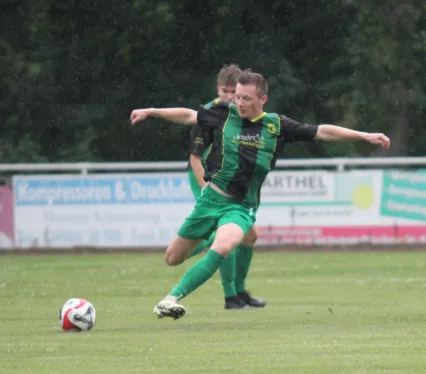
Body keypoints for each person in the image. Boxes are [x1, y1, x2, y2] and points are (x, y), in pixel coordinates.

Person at [130, 69, 390, 320]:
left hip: (240, 207)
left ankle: (171, 299)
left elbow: (322, 131)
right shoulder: (224, 114)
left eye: (246, 98)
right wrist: (151, 112)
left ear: (262, 99)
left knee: (223, 246)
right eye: (237, 96)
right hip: (210, 200)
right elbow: (188, 116)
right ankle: (207, 249)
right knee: (173, 258)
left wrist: (364, 135)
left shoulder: (276, 125)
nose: (239, 102)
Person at [186, 64, 265, 310]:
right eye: (225, 91)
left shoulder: (243, 112)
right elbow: (195, 158)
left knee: (250, 236)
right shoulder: (210, 114)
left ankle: (240, 292)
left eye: (234, 92)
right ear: (217, 89)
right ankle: (231, 296)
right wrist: (206, 192)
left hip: (231, 184)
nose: (230, 97)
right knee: (226, 237)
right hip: (207, 181)